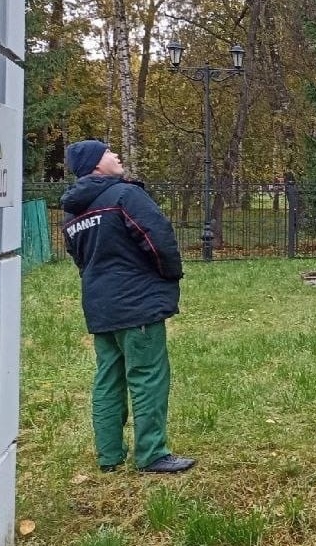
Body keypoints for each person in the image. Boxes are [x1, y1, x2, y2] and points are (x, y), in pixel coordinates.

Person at [60, 140, 195, 474]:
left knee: (108, 377)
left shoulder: (73, 212)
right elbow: (158, 239)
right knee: (147, 375)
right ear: (94, 165)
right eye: (108, 153)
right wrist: (169, 275)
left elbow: (80, 259)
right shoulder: (125, 196)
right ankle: (151, 454)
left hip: (100, 305)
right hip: (137, 303)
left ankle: (109, 456)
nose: (116, 155)